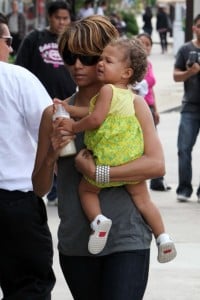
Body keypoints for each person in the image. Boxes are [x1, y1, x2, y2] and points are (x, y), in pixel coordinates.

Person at [32, 15, 167, 300]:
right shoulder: (55, 114)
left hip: (126, 239)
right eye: (70, 56)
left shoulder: (133, 105)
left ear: (106, 58)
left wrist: (97, 172)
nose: (78, 65)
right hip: (76, 244)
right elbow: (40, 188)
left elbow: (156, 165)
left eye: (87, 56)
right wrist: (52, 154)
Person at [57, 36, 176, 262]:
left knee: (87, 190)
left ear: (126, 73)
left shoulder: (107, 91)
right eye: (100, 59)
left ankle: (98, 221)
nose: (101, 63)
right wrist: (69, 108)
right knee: (143, 200)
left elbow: (95, 119)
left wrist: (73, 125)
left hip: (106, 158)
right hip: (130, 157)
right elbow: (90, 111)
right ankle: (163, 237)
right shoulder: (131, 98)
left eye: (108, 61)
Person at [0, 16, 55, 299]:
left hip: (17, 200)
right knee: (28, 288)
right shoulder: (17, 78)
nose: (10, 49)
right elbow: (53, 125)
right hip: (15, 202)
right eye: (8, 42)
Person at [15, 0, 76, 206]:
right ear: (50, 17)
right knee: (45, 148)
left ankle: (62, 189)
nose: (61, 22)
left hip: (69, 104)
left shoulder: (72, 41)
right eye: (58, 18)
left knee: (67, 147)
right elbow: (21, 68)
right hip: (40, 106)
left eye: (65, 18)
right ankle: (49, 190)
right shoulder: (35, 39)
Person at [136, 32, 171, 192]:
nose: (145, 46)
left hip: (148, 107)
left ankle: (157, 181)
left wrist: (155, 109)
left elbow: (151, 90)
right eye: (141, 43)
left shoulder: (149, 65)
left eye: (148, 44)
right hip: (135, 109)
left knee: (153, 144)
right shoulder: (131, 65)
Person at [173, 14, 200, 203]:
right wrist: (190, 72)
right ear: (194, 28)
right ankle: (184, 188)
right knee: (183, 148)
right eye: (199, 26)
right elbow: (175, 76)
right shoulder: (185, 49)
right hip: (190, 106)